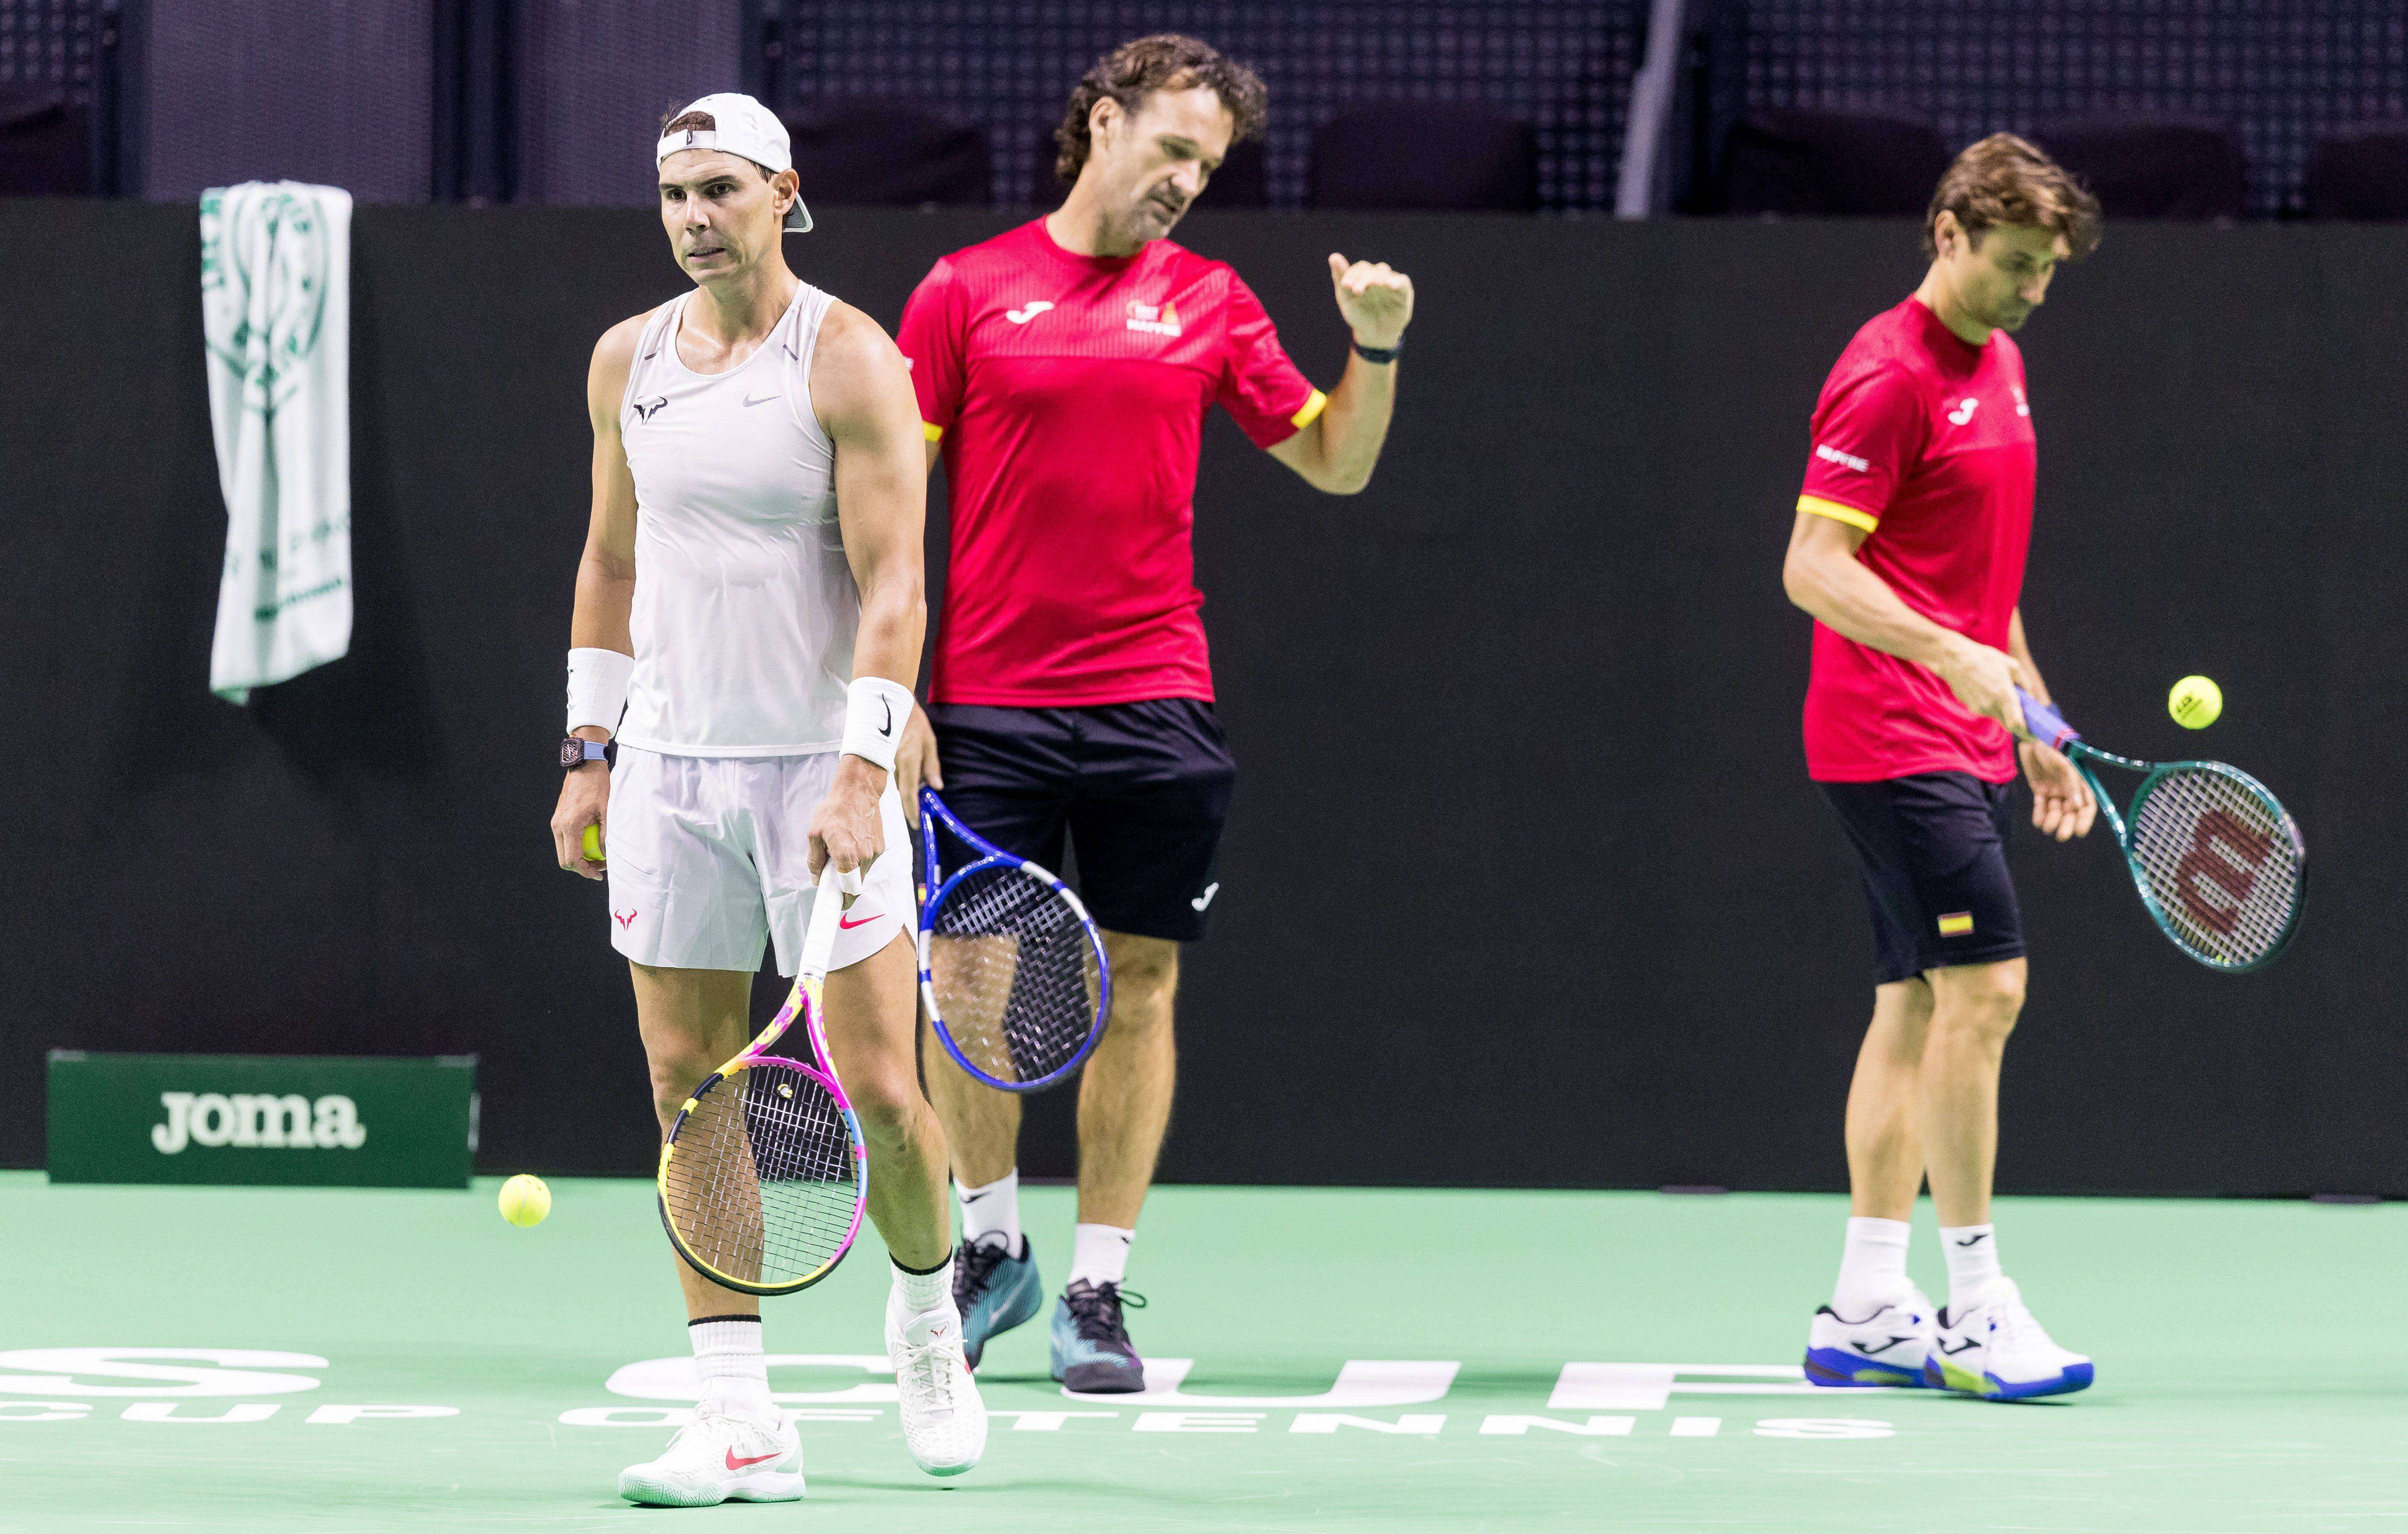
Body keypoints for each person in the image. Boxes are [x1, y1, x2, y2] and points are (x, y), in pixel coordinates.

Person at [890, 34, 1415, 1392]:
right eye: (1174, 149)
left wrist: (1375, 350)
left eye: (1209, 165)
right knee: (971, 991)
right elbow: (886, 510)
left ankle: (1097, 1290)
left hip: (1154, 700)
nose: (1188, 180)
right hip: (988, 704)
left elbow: (1335, 461)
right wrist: (887, 694)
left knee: (1144, 989)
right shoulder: (964, 292)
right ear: (1106, 124)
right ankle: (991, 1248)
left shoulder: (1212, 301)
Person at [548, 92, 984, 1505]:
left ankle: (928, 1322)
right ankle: (740, 1419)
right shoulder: (630, 361)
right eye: (675, 192)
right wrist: (587, 748)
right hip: (670, 771)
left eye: (721, 189)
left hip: (820, 771)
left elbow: (896, 585)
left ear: (782, 192)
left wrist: (864, 770)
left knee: (879, 1091)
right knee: (689, 1087)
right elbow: (609, 563)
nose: (693, 217)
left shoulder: (849, 357)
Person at [1783, 134, 2104, 1402]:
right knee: (1987, 993)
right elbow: (1810, 566)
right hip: (1887, 733)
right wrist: (1953, 667)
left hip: (1963, 731)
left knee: (1915, 1005)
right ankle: (1974, 1306)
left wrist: (2030, 718)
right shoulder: (1884, 375)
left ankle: (1865, 1302)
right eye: (2013, 264)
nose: (2030, 290)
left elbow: (1977, 584)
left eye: (2047, 271)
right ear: (1948, 235)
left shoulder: (2003, 361)